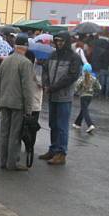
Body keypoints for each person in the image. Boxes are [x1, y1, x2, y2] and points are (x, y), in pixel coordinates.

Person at [0, 35, 35, 171]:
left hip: (4, 101)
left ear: (15, 46)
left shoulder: (5, 61)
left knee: (4, 132)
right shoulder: (26, 63)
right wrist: (29, 109)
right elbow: (27, 88)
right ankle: (12, 162)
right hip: (18, 104)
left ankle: (3, 160)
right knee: (15, 134)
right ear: (26, 47)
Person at [41, 31, 81, 165]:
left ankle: (61, 152)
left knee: (62, 126)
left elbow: (71, 76)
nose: (59, 43)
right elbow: (45, 70)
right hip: (52, 95)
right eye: (57, 40)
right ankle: (53, 149)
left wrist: (53, 87)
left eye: (61, 41)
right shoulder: (52, 55)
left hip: (64, 97)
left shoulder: (74, 57)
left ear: (67, 41)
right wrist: (46, 84)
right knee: (53, 124)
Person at [72, 63, 102, 133]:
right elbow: (99, 87)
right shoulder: (94, 78)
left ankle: (90, 124)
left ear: (83, 70)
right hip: (90, 97)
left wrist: (76, 92)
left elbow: (76, 88)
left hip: (83, 96)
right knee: (83, 110)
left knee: (85, 111)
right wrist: (93, 89)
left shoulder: (81, 78)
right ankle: (77, 123)